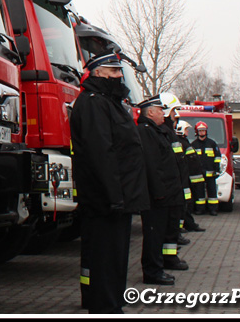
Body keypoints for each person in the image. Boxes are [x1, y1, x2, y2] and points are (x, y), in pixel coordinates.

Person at [70, 50, 149, 314]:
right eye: (114, 71)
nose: (119, 75)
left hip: (118, 199)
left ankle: (110, 302)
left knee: (114, 259)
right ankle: (106, 307)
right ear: (97, 73)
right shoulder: (94, 103)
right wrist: (115, 197)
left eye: (119, 71)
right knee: (105, 259)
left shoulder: (109, 102)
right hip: (106, 201)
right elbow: (100, 154)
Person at [136, 95, 186, 286]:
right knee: (153, 235)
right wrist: (159, 192)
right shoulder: (146, 131)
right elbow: (152, 164)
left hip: (165, 194)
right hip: (157, 195)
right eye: (159, 110)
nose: (162, 114)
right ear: (150, 112)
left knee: (159, 235)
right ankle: (152, 272)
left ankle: (157, 269)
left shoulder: (156, 131)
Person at [175, 119, 206, 232]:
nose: (188, 131)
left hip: (189, 180)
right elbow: (188, 163)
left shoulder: (184, 142)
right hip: (186, 180)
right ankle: (181, 226)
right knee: (185, 203)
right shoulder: (181, 143)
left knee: (188, 203)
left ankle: (188, 224)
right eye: (187, 129)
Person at [191, 120, 221, 216]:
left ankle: (213, 209)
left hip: (211, 173)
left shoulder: (212, 143)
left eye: (203, 130)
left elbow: (217, 157)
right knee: (199, 192)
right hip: (198, 173)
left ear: (206, 131)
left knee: (212, 192)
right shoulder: (194, 145)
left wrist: (217, 169)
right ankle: (200, 209)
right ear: (197, 132)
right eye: (200, 131)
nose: (202, 132)